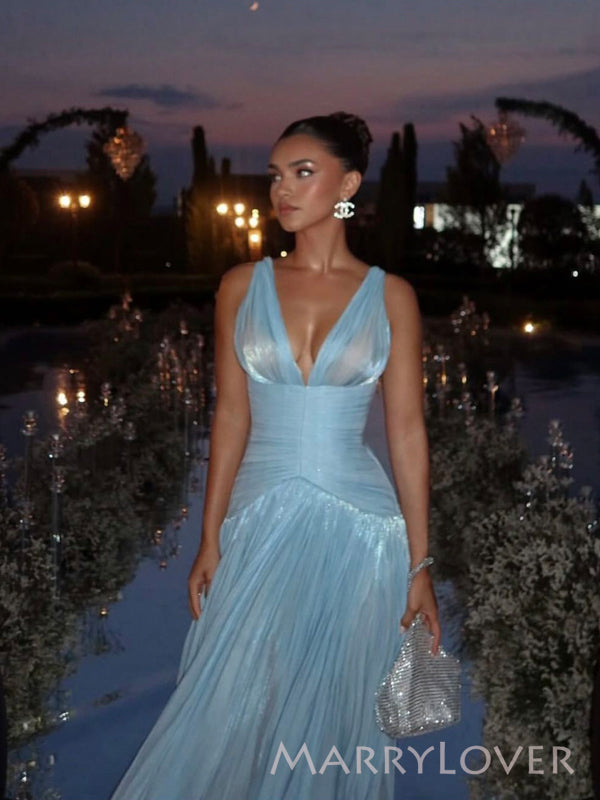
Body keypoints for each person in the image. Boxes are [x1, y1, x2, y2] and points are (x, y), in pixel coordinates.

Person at [108, 111, 440, 800]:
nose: (281, 190)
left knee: (334, 720)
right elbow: (230, 415)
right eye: (276, 175)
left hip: (361, 533)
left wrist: (420, 564)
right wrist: (210, 536)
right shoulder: (241, 285)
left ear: (347, 184)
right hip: (257, 523)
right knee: (227, 702)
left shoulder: (392, 297)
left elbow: (407, 432)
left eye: (302, 172)